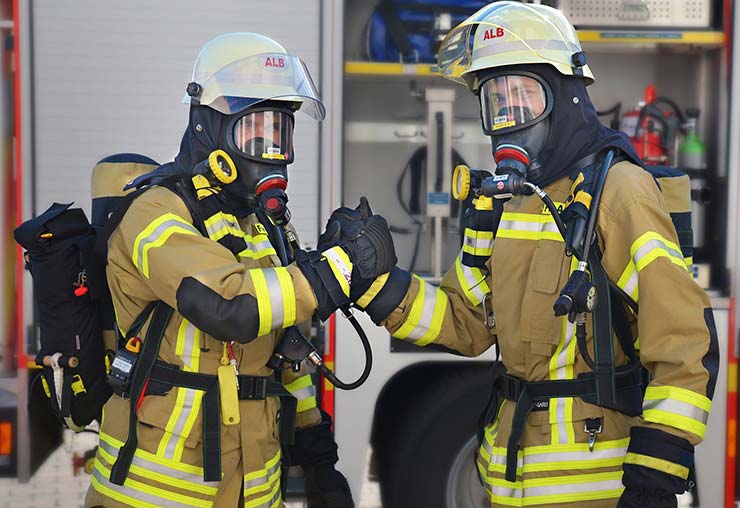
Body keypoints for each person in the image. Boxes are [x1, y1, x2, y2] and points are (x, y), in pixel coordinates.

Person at [320, 3, 719, 507]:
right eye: (495, 101)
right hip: (507, 486)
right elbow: (467, 321)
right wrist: (378, 284)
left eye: (523, 96)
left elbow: (684, 343)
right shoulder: (502, 202)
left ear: (568, 96)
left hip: (597, 491)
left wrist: (653, 481)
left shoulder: (621, 193)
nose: (508, 118)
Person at [85, 32, 395, 508]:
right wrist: (338, 270)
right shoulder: (157, 211)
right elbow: (229, 306)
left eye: (280, 133)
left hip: (254, 490)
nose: (271, 150)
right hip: (158, 493)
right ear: (208, 128)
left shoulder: (258, 227)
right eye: (255, 131)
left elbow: (287, 354)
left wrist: (319, 463)